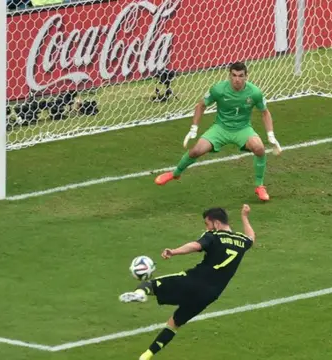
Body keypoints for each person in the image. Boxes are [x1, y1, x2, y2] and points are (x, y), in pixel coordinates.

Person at [119, 205, 256, 360]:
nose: (207, 228)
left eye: (207, 224)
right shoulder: (241, 241)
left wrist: (174, 251)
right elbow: (251, 237)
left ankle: (140, 294)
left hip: (194, 281)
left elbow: (195, 245)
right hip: (210, 295)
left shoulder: (214, 236)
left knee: (150, 284)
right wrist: (245, 216)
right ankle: (145, 356)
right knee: (174, 324)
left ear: (216, 223)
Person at [154, 61, 282, 201]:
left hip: (242, 129)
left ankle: (260, 186)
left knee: (259, 149)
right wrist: (193, 128)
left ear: (246, 76)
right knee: (196, 150)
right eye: (234, 75)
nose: (237, 79)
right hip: (220, 128)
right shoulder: (219, 89)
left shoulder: (255, 93)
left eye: (240, 76)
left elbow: (265, 112)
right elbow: (201, 106)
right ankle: (175, 173)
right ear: (229, 76)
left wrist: (271, 134)